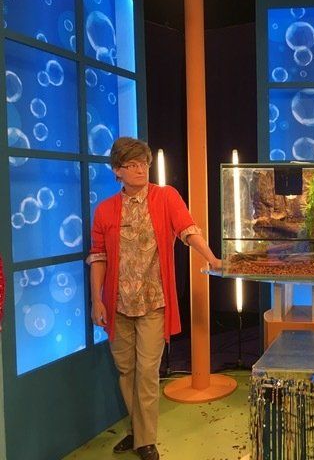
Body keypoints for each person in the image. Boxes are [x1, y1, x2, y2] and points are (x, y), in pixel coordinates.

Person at [87, 137, 221, 460]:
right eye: (132, 165)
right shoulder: (105, 210)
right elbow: (98, 256)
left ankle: (145, 440)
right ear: (117, 170)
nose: (140, 170)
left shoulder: (165, 197)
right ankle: (138, 431)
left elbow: (188, 230)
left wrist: (212, 258)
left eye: (143, 164)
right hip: (118, 304)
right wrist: (96, 300)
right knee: (126, 370)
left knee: (147, 371)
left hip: (154, 302)